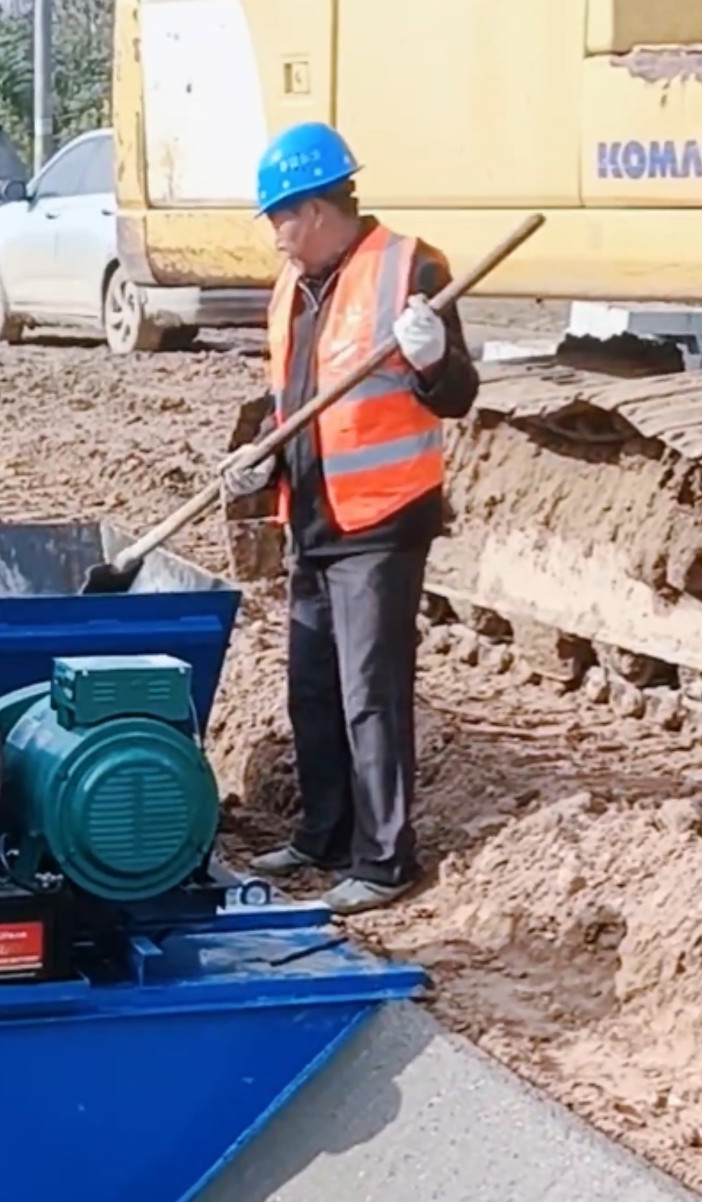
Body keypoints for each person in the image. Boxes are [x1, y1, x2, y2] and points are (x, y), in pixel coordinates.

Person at [233, 121, 479, 916]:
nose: (275, 238)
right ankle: (324, 835)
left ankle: (383, 860)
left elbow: (457, 394)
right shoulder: (293, 289)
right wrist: (259, 459)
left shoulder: (410, 269)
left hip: (380, 517)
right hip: (309, 516)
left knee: (371, 689)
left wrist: (433, 354)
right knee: (312, 686)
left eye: (279, 219)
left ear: (315, 208)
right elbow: (293, 404)